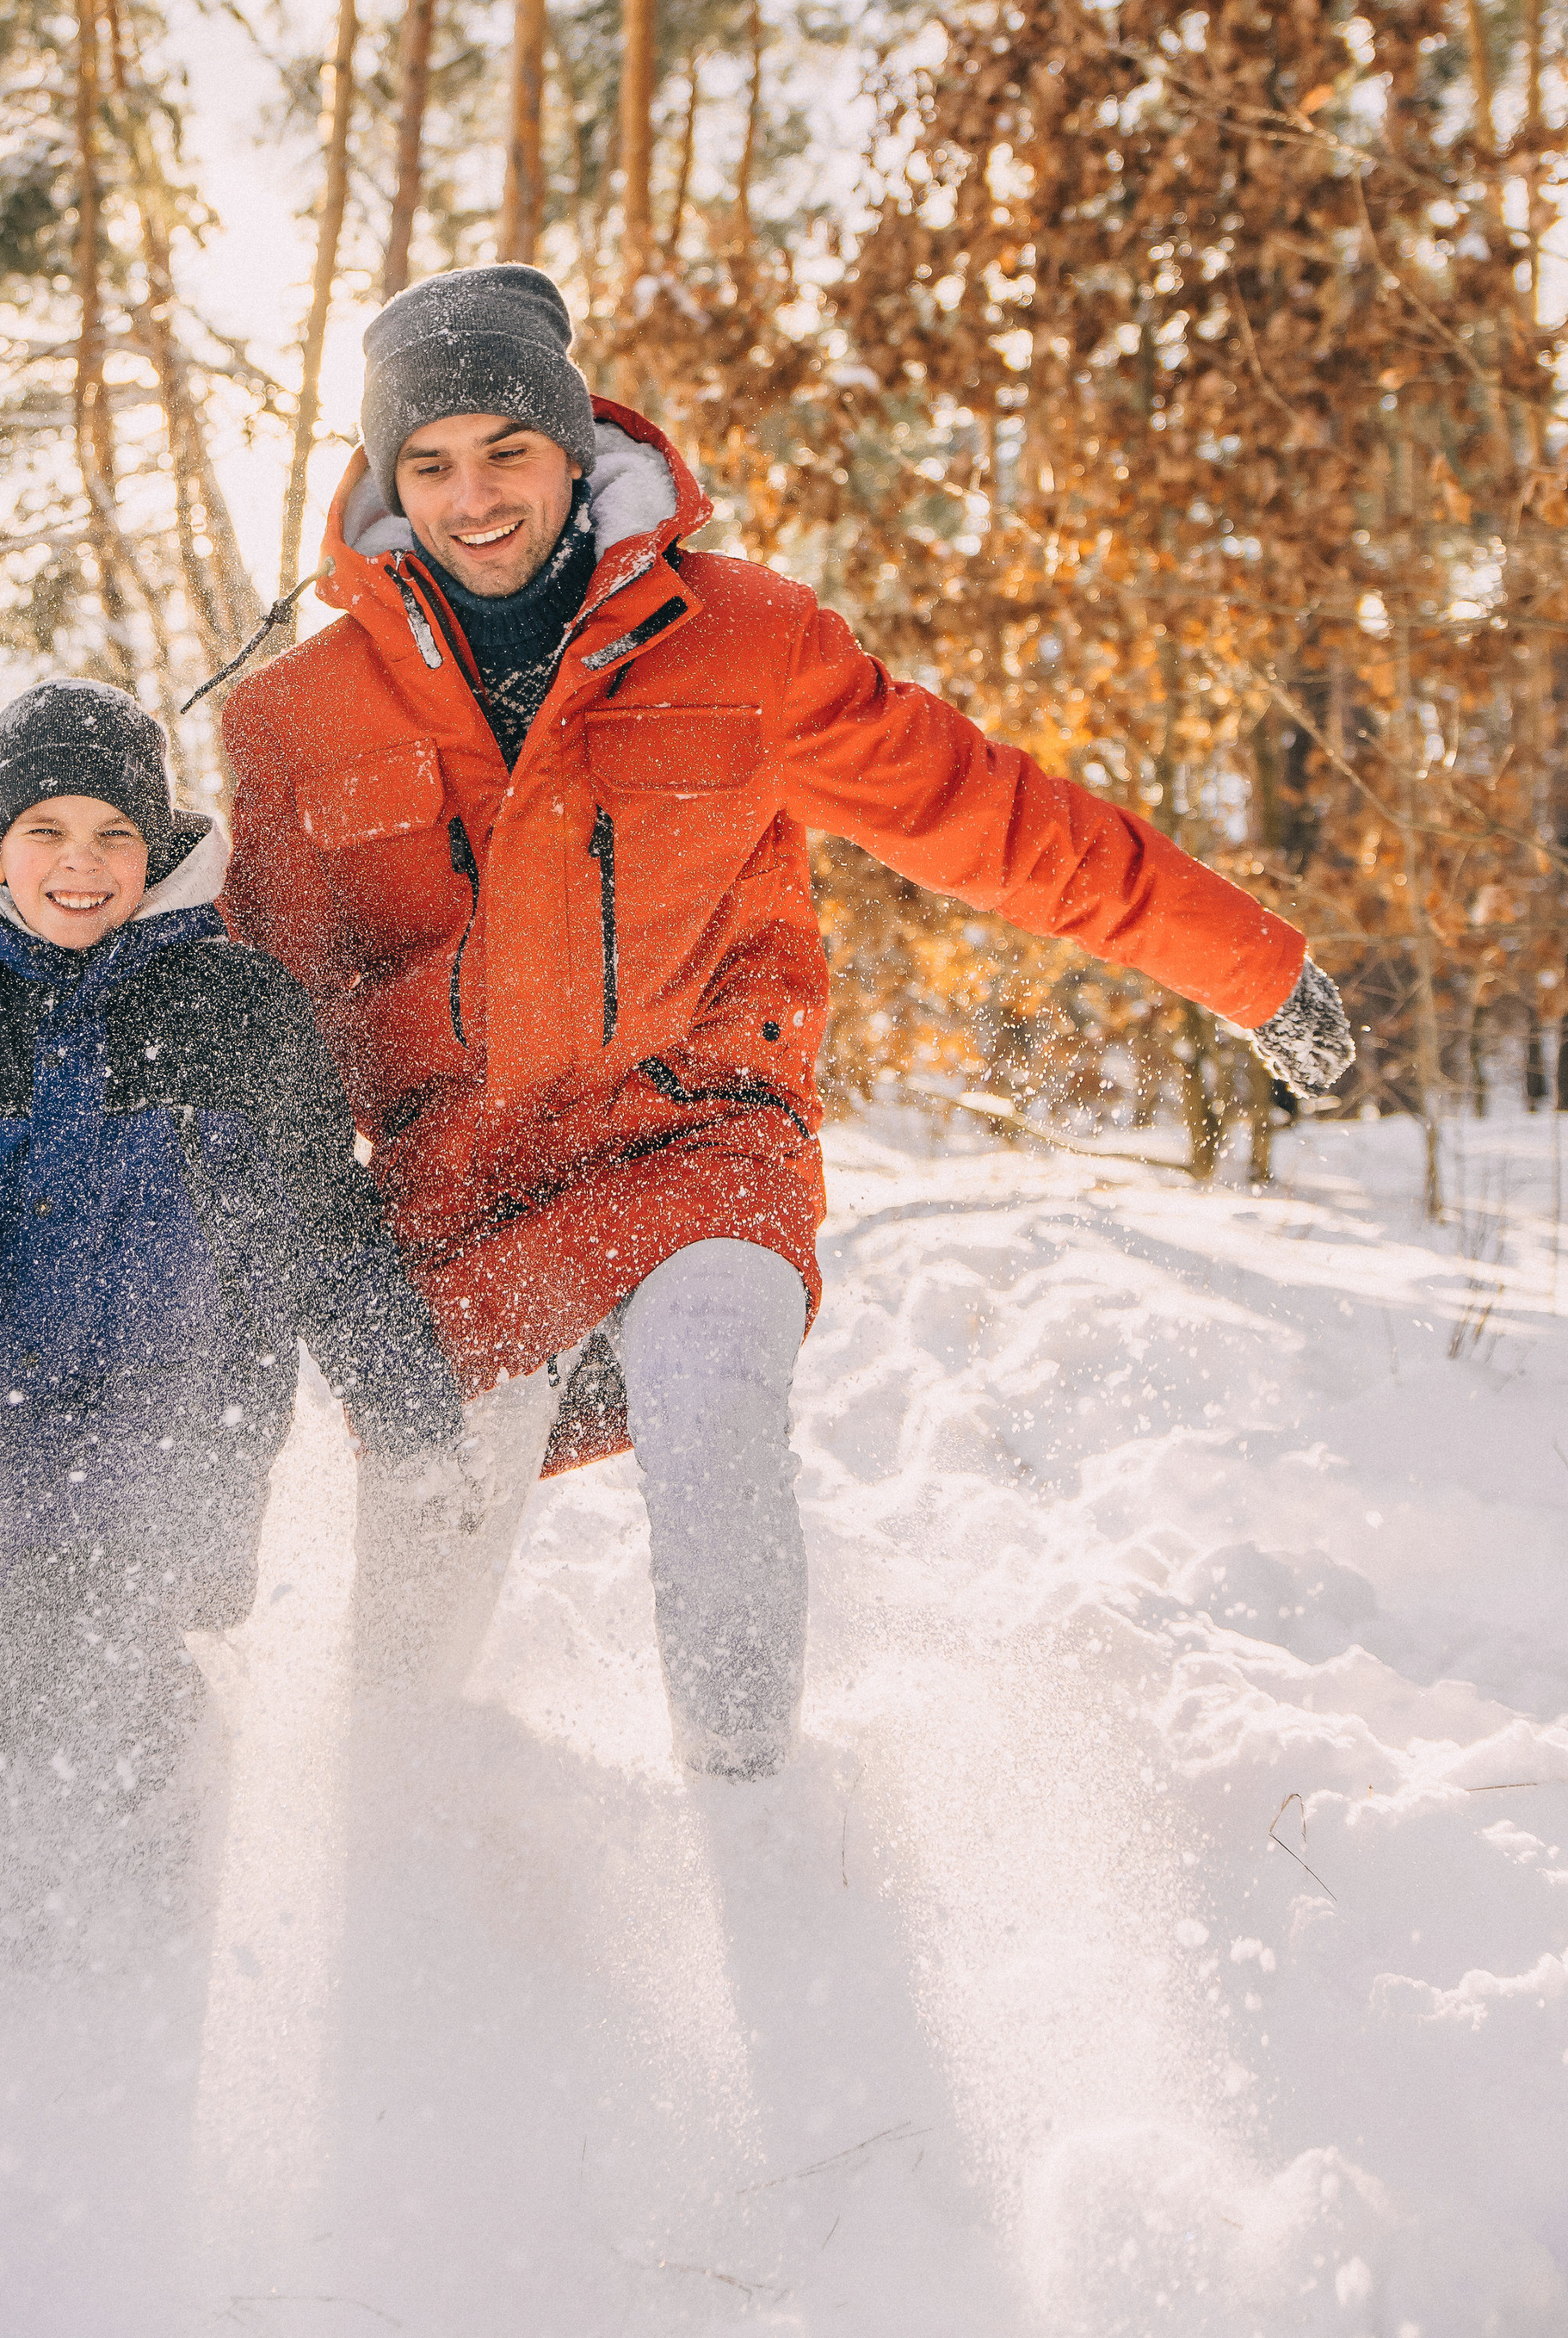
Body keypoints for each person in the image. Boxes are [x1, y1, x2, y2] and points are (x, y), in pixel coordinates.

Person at [219, 263, 1355, 1779]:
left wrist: (1254, 971)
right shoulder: (297, 714)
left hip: (702, 1136)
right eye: (428, 463)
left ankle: (752, 1820)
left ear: (575, 451)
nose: (472, 496)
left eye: (508, 451)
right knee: (413, 1620)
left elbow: (990, 816)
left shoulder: (742, 644)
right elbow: (248, 1033)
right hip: (462, 1204)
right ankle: (395, 1859)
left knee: (710, 1404)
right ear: (385, 481)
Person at [0, 677, 465, 1932]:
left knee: (104, 1644)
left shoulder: (236, 1005)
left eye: (112, 834)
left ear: (154, 847)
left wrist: (408, 1409)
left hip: (184, 1425)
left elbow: (328, 1220)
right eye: (45, 832)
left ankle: (146, 1934)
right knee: (4, 1688)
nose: (82, 865)